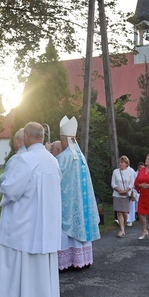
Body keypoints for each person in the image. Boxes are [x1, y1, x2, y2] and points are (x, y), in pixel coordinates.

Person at [0, 122, 62, 297]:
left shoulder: (25, 160)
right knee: (38, 268)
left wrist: (4, 187)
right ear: (42, 137)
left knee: (10, 265)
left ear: (25, 137)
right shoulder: (52, 161)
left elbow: (10, 190)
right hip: (45, 228)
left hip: (22, 225)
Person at [55, 116, 101, 270]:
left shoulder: (62, 158)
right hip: (82, 203)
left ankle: (67, 261)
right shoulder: (81, 157)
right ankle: (82, 259)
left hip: (67, 202)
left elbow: (56, 181)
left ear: (64, 140)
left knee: (66, 227)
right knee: (81, 223)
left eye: (61, 139)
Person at [111, 155, 135, 238]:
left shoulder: (131, 171)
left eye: (122, 162)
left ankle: (123, 226)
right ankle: (122, 230)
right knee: (119, 212)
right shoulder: (115, 171)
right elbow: (113, 183)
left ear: (126, 163)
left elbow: (132, 183)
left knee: (125, 213)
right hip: (117, 194)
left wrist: (126, 190)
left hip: (126, 194)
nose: (120, 164)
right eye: (120, 162)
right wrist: (118, 190)